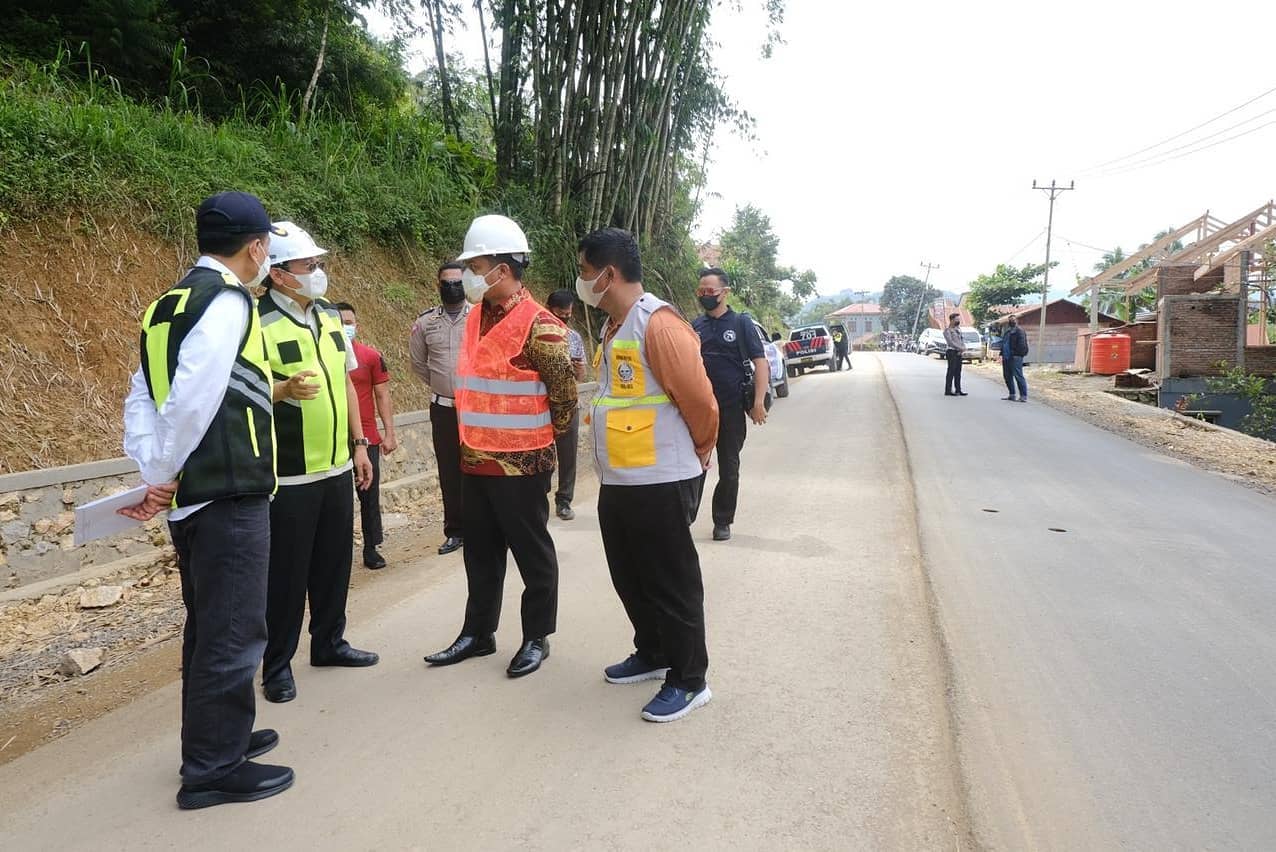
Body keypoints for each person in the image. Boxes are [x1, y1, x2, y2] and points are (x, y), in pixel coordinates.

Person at [121, 191, 293, 809]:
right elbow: (192, 400)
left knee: (211, 624)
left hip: (193, 497)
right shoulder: (226, 302)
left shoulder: (165, 305)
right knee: (233, 629)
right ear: (255, 247)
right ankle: (212, 769)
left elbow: (142, 395)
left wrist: (153, 469)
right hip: (228, 489)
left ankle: (223, 735)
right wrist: (165, 470)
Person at [423, 215, 577, 678]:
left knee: (532, 552)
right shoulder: (473, 320)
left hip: (523, 465)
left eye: (478, 264)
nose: (469, 273)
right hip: (475, 458)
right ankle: (478, 633)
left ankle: (536, 637)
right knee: (480, 553)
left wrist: (537, 443)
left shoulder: (542, 326)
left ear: (503, 269)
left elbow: (564, 395)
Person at [578, 228, 719, 723]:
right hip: (621, 481)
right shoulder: (614, 327)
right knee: (630, 576)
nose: (581, 281)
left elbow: (701, 402)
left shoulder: (658, 325)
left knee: (671, 581)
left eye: (583, 271)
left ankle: (689, 678)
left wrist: (701, 450)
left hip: (660, 479)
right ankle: (653, 650)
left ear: (608, 274)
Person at [258, 222, 379, 704]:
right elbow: (237, 391)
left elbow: (348, 382)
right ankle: (276, 666)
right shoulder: (255, 321)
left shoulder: (330, 316)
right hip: (288, 472)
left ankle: (329, 642)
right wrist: (282, 390)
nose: (319, 273)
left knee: (333, 563)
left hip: (336, 466)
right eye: (309, 266)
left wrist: (359, 443)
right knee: (286, 574)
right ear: (281, 275)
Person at [692, 267, 769, 542]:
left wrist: (758, 402)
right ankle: (685, 515)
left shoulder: (741, 324)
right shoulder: (695, 327)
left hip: (731, 407)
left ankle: (722, 520)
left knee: (729, 467)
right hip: (698, 409)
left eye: (710, 291)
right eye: (701, 291)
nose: (705, 296)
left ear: (725, 293)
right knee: (692, 465)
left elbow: (761, 363)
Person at [409, 263, 469, 555]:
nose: (452, 287)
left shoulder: (482, 317)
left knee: (481, 468)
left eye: (457, 282)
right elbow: (418, 364)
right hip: (444, 409)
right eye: (447, 283)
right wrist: (442, 384)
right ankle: (455, 531)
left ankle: (484, 529)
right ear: (438, 285)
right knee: (449, 471)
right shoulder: (426, 322)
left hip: (476, 409)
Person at [336, 302, 397, 569]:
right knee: (338, 500)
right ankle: (338, 552)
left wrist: (389, 433)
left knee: (368, 494)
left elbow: (382, 394)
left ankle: (372, 547)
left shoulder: (371, 356)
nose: (346, 327)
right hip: (336, 437)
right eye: (340, 322)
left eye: (349, 322)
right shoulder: (325, 354)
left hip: (368, 437)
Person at [546, 288, 586, 521]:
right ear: (549, 309)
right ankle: (539, 497)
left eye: (568, 314)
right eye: (560, 313)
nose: (564, 318)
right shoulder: (535, 334)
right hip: (541, 404)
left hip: (569, 403)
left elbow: (580, 377)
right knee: (542, 454)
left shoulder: (574, 338)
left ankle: (564, 501)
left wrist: (579, 371)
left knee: (568, 454)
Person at [1001, 314, 1030, 402]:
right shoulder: (1008, 331)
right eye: (1010, 320)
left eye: (1013, 320)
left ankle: (1023, 396)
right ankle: (1012, 394)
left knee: (1018, 376)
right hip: (1006, 357)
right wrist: (1002, 353)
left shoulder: (1019, 331)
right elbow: (1004, 343)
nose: (1012, 321)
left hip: (1016, 357)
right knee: (1007, 376)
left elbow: (1022, 345)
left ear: (1016, 321)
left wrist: (1016, 354)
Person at [943, 312, 967, 397]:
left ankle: (958, 390)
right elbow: (950, 342)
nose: (958, 321)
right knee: (951, 371)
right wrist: (959, 348)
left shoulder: (958, 330)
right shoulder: (947, 331)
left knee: (958, 372)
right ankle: (948, 390)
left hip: (959, 353)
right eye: (957, 319)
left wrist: (963, 347)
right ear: (952, 320)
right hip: (951, 352)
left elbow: (961, 340)